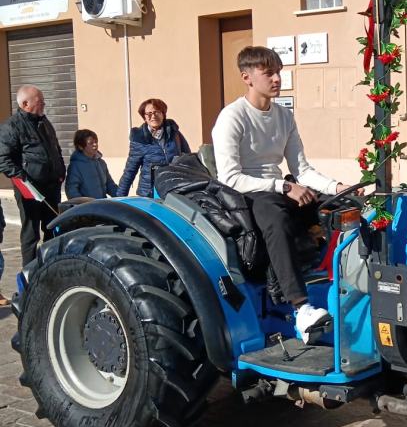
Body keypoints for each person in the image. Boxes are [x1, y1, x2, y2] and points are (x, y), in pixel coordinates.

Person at [212, 46, 356, 342]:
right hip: (246, 196)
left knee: (340, 208)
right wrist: (284, 186)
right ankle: (302, 309)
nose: (277, 78)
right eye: (269, 73)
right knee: (276, 218)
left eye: (279, 72)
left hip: (280, 189)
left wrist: (337, 188)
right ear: (247, 77)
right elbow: (230, 177)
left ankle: (350, 284)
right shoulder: (232, 117)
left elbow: (302, 169)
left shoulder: (283, 116)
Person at [0, 85, 66, 263]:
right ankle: (29, 273)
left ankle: (51, 265)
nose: (44, 104)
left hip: (51, 186)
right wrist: (22, 178)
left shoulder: (44, 122)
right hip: (30, 189)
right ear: (25, 103)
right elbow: (3, 158)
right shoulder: (11, 126)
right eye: (40, 101)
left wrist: (61, 171)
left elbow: (55, 149)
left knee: (52, 228)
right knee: (31, 234)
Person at [117, 98, 189, 197]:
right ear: (144, 117)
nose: (153, 116)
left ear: (163, 114)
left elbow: (187, 158)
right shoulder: (139, 138)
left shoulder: (174, 133)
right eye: (149, 114)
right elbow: (130, 171)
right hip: (150, 194)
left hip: (174, 190)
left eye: (157, 112)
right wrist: (119, 198)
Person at [65, 129, 118, 200]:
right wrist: (83, 205)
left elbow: (110, 184)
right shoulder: (75, 166)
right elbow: (72, 190)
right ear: (80, 146)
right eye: (91, 143)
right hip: (88, 208)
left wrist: (121, 197)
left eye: (96, 142)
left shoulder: (101, 163)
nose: (95, 145)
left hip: (102, 205)